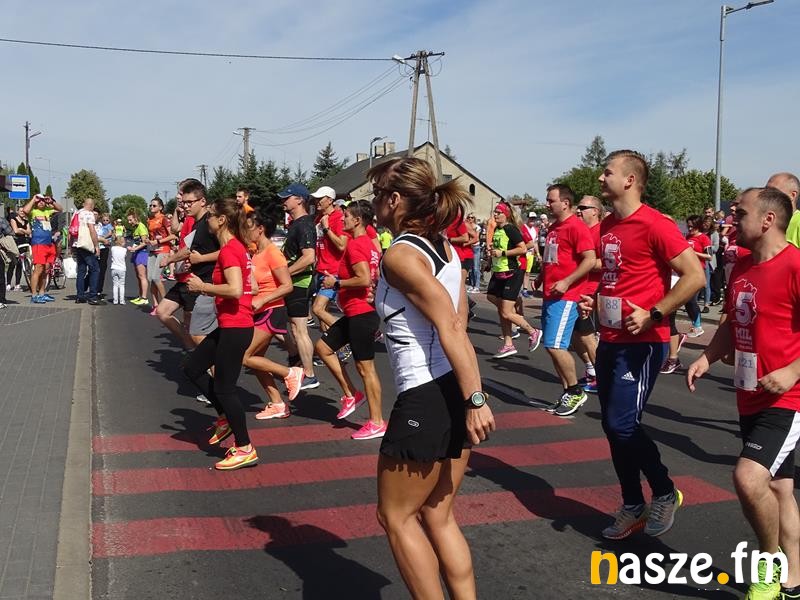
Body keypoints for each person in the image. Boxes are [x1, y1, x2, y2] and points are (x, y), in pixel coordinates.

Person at [369, 156, 495, 600]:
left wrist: (476, 400)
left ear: (395, 199)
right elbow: (458, 322)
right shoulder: (444, 248)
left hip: (426, 394)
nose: (372, 203)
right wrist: (470, 396)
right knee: (437, 515)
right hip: (448, 388)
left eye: (377, 194)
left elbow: (451, 326)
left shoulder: (401, 254)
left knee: (396, 517)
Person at [580, 149, 704, 540]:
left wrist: (655, 313)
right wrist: (595, 298)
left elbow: (695, 276)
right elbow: (616, 276)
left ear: (630, 180)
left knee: (623, 424)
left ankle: (664, 491)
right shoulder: (608, 226)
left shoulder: (656, 224)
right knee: (612, 426)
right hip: (610, 339)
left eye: (607, 172)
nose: (600, 178)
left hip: (643, 342)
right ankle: (633, 503)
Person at [687, 186, 800, 599]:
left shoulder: (795, 265)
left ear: (768, 220)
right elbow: (732, 325)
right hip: (749, 393)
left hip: (787, 399)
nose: (732, 219)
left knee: (748, 478)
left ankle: (768, 568)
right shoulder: (744, 268)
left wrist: (792, 371)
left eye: (740, 213)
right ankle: (794, 579)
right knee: (779, 488)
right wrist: (707, 358)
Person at [183, 197, 257, 471]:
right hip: (230, 325)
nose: (208, 220)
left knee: (225, 388)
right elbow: (250, 287)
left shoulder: (229, 250)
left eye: (211, 216)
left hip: (236, 327)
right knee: (192, 368)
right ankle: (225, 418)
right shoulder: (236, 248)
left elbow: (236, 289)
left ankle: (245, 447)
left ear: (222, 220)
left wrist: (202, 287)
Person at [316, 200, 385, 440]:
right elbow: (374, 276)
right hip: (358, 311)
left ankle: (377, 421)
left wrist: (336, 283)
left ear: (357, 220)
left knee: (366, 369)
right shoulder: (370, 245)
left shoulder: (356, 245)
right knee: (323, 347)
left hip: (361, 313)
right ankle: (352, 394)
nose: (342, 219)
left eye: (346, 216)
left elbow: (364, 278)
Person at [537, 185, 596, 417]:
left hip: (567, 296)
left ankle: (575, 390)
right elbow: (551, 257)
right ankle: (567, 391)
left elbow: (589, 259)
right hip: (550, 294)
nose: (547, 204)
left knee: (555, 345)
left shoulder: (576, 227)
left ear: (565, 203)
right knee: (552, 346)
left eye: (551, 200)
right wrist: (541, 276)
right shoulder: (554, 227)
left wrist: (567, 281)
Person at [241, 207, 303, 419]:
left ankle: (290, 372)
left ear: (260, 229)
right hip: (259, 310)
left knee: (245, 356)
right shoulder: (256, 253)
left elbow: (287, 286)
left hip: (272, 310)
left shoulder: (273, 253)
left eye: (248, 227)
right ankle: (278, 404)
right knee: (256, 359)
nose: (245, 231)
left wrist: (262, 299)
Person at [486, 201, 542, 358]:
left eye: (498, 212)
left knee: (505, 311)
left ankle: (533, 331)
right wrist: (490, 260)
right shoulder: (498, 229)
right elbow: (498, 249)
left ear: (506, 215)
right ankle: (508, 344)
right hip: (498, 271)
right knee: (492, 299)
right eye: (495, 212)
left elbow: (523, 248)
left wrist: (502, 253)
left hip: (512, 272)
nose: (495, 214)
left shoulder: (511, 229)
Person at [156, 179, 207, 350]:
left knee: (191, 324)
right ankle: (192, 349)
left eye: (182, 194)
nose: (179, 198)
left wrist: (170, 259)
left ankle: (199, 355)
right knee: (163, 312)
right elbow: (175, 229)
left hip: (195, 277)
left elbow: (192, 249)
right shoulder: (189, 216)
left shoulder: (202, 220)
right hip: (184, 275)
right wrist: (178, 211)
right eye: (179, 196)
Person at [278, 183, 319, 390]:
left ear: (299, 200)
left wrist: (285, 273)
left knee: (299, 329)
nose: (283, 201)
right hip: (292, 282)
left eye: (287, 198)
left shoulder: (304, 225)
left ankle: (309, 375)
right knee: (280, 324)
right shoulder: (296, 224)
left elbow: (309, 257)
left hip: (299, 283)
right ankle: (296, 360)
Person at [573, 196, 603, 393]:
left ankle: (602, 377)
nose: (578, 210)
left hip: (591, 290)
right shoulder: (580, 230)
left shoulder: (601, 232)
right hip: (576, 288)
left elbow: (607, 261)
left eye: (583, 207)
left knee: (586, 335)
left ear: (595, 211)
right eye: (578, 207)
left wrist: (585, 264)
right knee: (574, 335)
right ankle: (592, 370)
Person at [309, 186, 346, 333]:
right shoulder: (318, 218)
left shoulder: (338, 217)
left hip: (332, 271)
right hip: (319, 270)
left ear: (330, 200)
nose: (317, 201)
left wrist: (326, 229)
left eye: (320, 198)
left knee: (317, 309)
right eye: (316, 198)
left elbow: (342, 245)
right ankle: (331, 342)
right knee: (322, 316)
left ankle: (348, 332)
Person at [20, 193, 63, 303]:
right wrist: (34, 199)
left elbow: (60, 209)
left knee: (46, 269)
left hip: (49, 244)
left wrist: (52, 201)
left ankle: (42, 293)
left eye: (43, 200)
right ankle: (34, 295)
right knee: (38, 269)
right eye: (39, 200)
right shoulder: (33, 211)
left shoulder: (47, 211)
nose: (41, 202)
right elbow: (25, 210)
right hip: (38, 244)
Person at [72, 198, 105, 305]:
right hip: (86, 245)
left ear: (83, 204)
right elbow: (92, 230)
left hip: (77, 244)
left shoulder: (76, 213)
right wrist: (96, 246)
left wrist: (71, 246)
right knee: (95, 269)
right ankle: (93, 296)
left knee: (81, 271)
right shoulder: (89, 214)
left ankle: (80, 296)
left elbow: (71, 229)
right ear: (92, 205)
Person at [685, 215, 712, 337]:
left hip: (698, 272)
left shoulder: (704, 238)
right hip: (687, 272)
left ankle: (697, 326)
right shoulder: (688, 236)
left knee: (691, 300)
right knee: (687, 301)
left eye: (692, 226)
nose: (690, 228)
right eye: (688, 226)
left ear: (698, 226)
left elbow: (709, 256)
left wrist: (694, 253)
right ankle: (695, 326)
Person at [146, 197, 175, 313]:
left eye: (154, 205)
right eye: (150, 205)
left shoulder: (164, 219)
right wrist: (148, 240)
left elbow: (172, 236)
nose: (151, 207)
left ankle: (165, 304)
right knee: (150, 278)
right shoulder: (149, 220)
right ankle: (155, 305)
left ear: (160, 207)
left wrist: (159, 241)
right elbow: (151, 236)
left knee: (156, 277)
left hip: (163, 249)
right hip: (152, 250)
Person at [765, 172, 800, 248]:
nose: (767, 195)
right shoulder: (765, 221)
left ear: (792, 195)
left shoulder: (798, 223)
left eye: (774, 191)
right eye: (766, 190)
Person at [126, 210, 150, 305]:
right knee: (138, 276)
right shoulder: (136, 228)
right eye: (128, 220)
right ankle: (140, 296)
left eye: (130, 220)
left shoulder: (141, 227)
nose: (129, 222)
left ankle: (144, 298)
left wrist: (134, 249)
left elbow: (144, 242)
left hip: (142, 253)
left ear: (135, 218)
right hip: (137, 253)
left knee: (142, 276)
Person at [6, 208, 29, 291]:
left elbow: (29, 232)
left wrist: (22, 230)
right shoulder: (13, 219)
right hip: (15, 242)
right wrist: (25, 231)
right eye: (21, 211)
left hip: (23, 242)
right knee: (12, 263)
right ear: (17, 212)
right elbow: (15, 231)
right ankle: (8, 283)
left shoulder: (26, 221)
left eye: (23, 211)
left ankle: (17, 284)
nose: (22, 212)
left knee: (20, 264)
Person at [95, 212, 114, 298]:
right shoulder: (100, 226)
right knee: (95, 268)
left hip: (104, 247)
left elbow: (110, 233)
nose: (105, 221)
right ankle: (94, 288)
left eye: (107, 220)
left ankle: (99, 290)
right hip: (98, 247)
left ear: (109, 221)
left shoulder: (109, 226)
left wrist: (103, 238)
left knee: (102, 268)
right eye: (104, 220)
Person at [110, 235, 128, 305]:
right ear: (122, 242)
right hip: (122, 269)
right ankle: (122, 300)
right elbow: (125, 256)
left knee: (115, 285)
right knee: (122, 285)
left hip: (114, 268)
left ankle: (115, 300)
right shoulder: (124, 250)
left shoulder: (113, 248)